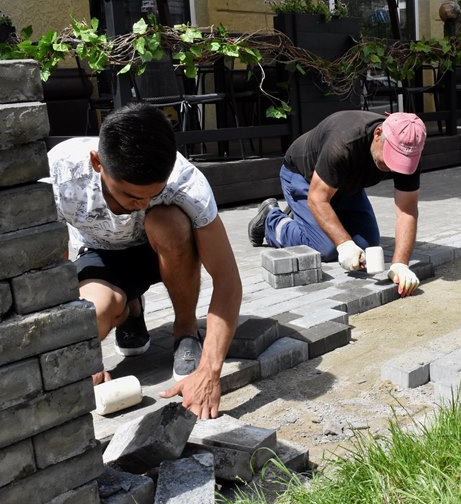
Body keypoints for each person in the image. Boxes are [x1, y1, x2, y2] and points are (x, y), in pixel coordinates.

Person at [46, 102, 242, 419]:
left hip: (165, 246)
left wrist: (210, 370)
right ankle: (130, 309)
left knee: (166, 221)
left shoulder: (186, 183)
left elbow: (228, 279)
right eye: (132, 196)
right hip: (102, 254)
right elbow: (50, 265)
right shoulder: (61, 176)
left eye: (153, 193)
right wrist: (85, 353)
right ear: (98, 163)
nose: (142, 204)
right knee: (96, 312)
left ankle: (185, 331)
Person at [247, 110, 425, 297]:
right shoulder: (344, 143)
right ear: (378, 134)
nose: (393, 167)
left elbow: (407, 211)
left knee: (368, 244)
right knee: (328, 248)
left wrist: (400, 265)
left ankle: (305, 220)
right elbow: (317, 199)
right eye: (391, 156)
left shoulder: (410, 150)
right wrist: (344, 244)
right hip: (304, 177)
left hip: (346, 184)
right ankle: (271, 219)